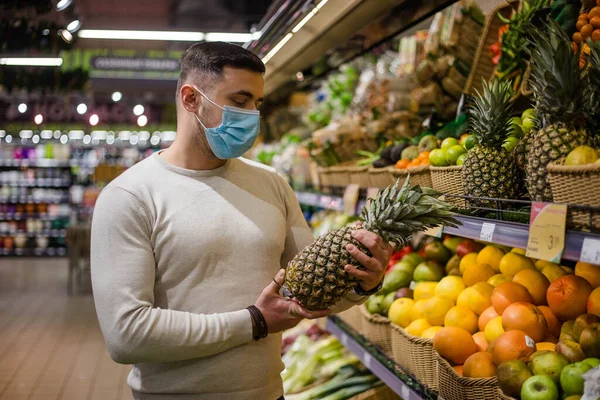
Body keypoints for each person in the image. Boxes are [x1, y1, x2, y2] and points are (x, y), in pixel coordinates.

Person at [91, 42, 392, 400]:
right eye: (239, 100)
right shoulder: (130, 196)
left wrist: (363, 284)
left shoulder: (272, 185)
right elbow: (126, 335)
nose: (252, 115)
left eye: (257, 104)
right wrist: (254, 322)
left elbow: (309, 295)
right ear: (191, 99)